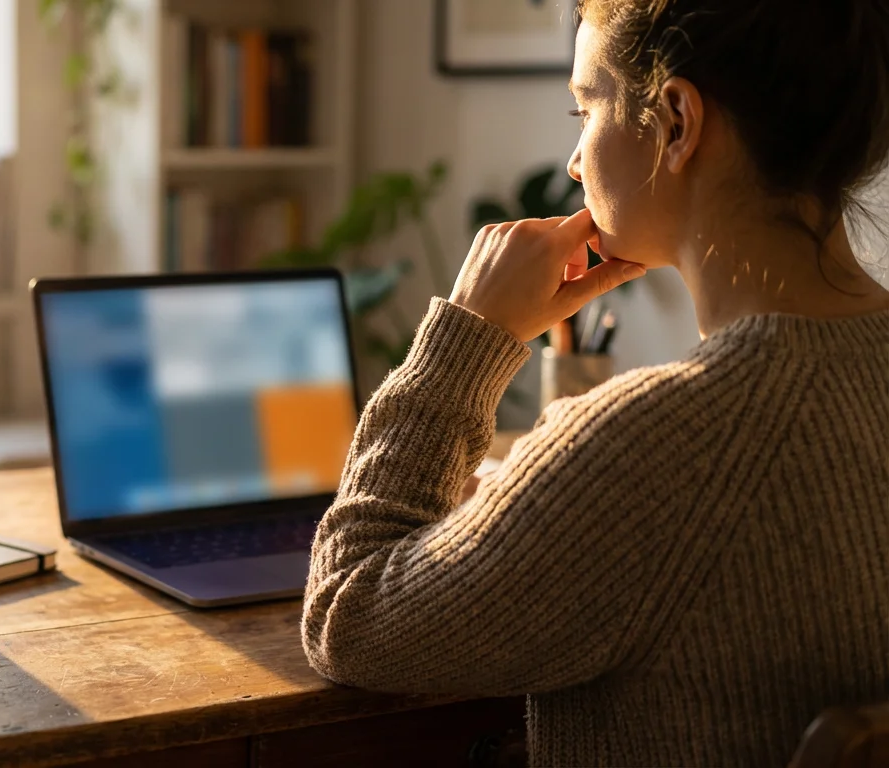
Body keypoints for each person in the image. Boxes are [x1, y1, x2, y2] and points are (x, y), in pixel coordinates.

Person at [301, 1, 889, 765]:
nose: (576, 161)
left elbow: (347, 617)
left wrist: (468, 340)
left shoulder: (657, 446)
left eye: (586, 109)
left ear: (676, 120)